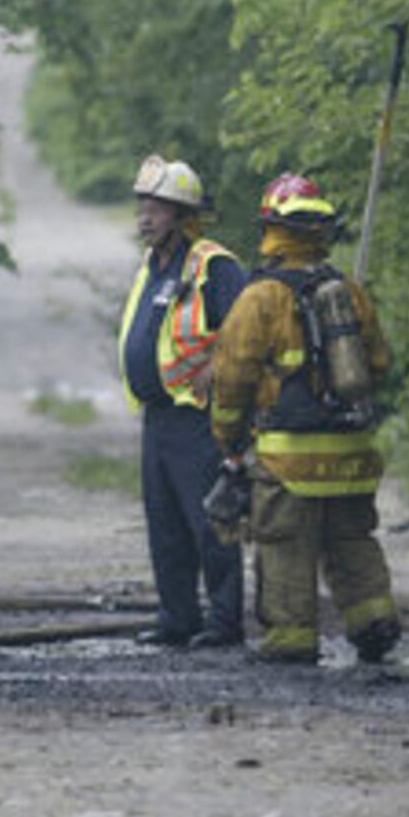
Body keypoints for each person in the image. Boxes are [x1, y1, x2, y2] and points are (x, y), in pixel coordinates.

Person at [205, 172, 402, 665]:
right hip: (351, 452)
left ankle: (290, 641)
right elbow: (377, 364)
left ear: (271, 227)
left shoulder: (260, 298)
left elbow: (232, 376)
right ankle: (373, 622)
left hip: (288, 458)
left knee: (284, 546)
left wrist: (228, 437)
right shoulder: (349, 292)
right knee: (352, 541)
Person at [117, 155, 248, 649]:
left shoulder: (213, 266)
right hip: (158, 417)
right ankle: (178, 617)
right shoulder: (152, 266)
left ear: (183, 214)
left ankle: (224, 620)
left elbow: (245, 334)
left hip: (197, 417)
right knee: (165, 524)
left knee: (209, 522)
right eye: (142, 205)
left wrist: (218, 372)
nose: (145, 216)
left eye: (157, 207)